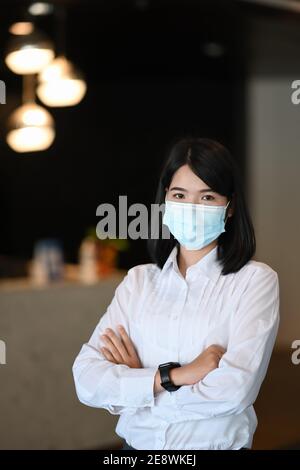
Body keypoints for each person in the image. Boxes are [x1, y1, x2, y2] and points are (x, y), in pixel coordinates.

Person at [72, 137, 280, 450]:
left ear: (230, 206)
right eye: (180, 195)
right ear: (165, 200)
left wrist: (139, 386)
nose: (192, 208)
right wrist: (176, 376)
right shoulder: (138, 282)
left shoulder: (254, 281)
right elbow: (86, 379)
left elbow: (235, 391)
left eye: (207, 197)